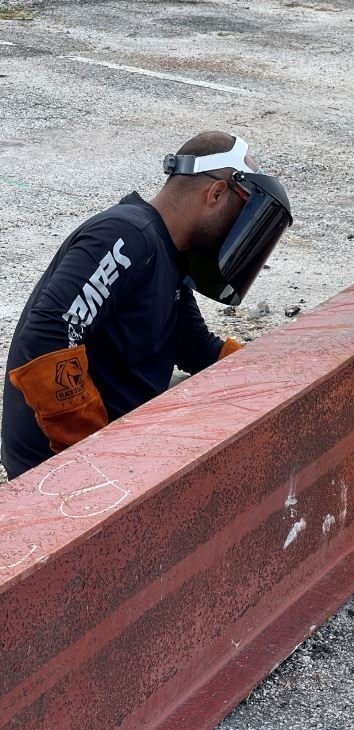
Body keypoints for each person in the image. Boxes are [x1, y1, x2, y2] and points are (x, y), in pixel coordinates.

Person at [1, 131, 292, 479]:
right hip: (56, 465)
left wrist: (273, 378)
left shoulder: (167, 254)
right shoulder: (126, 236)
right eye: (245, 213)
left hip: (114, 438)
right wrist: (96, 453)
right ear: (215, 193)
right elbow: (50, 334)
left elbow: (196, 347)